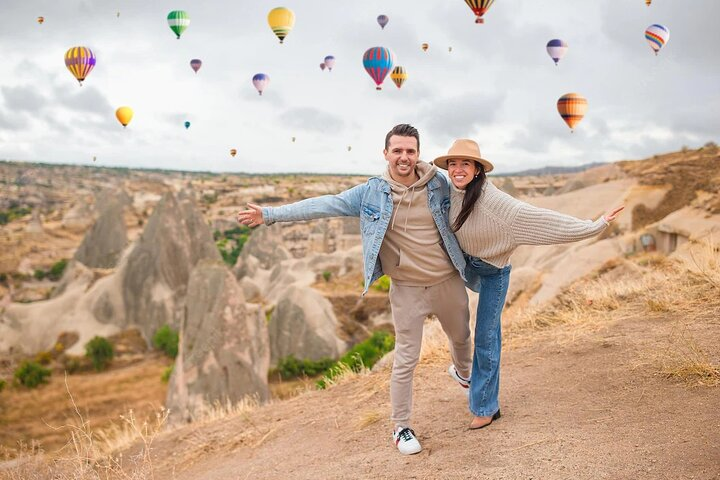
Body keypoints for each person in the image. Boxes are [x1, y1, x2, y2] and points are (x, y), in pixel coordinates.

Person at [237, 124, 473, 455]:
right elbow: (325, 204)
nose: (404, 157)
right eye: (397, 151)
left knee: (462, 337)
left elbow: (474, 202)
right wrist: (271, 214)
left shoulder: (439, 184)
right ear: (386, 153)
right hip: (407, 287)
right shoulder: (371, 193)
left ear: (418, 153)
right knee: (406, 357)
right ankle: (401, 427)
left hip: (447, 279)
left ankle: (464, 376)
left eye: (410, 151)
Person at [432, 139, 624, 430]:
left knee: (486, 336)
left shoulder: (498, 206)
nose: (457, 169)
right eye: (453, 164)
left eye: (465, 164)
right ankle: (466, 375)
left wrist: (594, 225)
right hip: (463, 266)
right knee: (462, 329)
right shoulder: (448, 191)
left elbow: (545, 221)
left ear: (478, 170)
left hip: (493, 273)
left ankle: (485, 407)